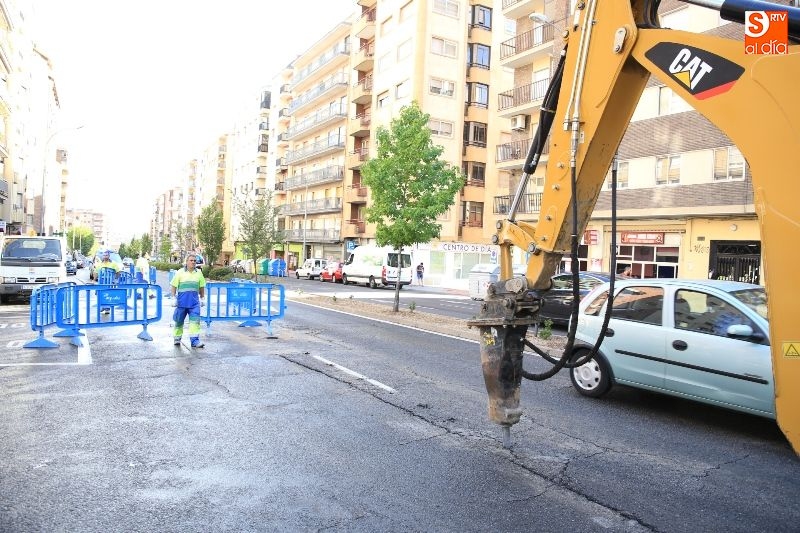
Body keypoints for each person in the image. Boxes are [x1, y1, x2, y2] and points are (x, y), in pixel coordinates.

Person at [170, 254, 206, 348]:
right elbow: (173, 285)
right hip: (182, 303)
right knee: (179, 321)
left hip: (194, 304)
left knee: (195, 322)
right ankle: (177, 338)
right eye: (191, 260)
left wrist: (202, 298)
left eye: (194, 261)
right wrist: (173, 297)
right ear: (186, 262)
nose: (193, 262)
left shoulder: (199, 273)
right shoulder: (180, 272)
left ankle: (195, 341)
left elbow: (201, 286)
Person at [96, 250, 121, 315]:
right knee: (100, 294)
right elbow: (96, 273)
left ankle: (107, 308)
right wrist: (94, 280)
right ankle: (102, 307)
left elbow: (118, 272)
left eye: (106, 255)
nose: (105, 256)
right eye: (104, 255)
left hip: (109, 282)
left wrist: (115, 280)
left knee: (108, 294)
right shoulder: (100, 264)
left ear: (109, 256)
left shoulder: (113, 264)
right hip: (101, 282)